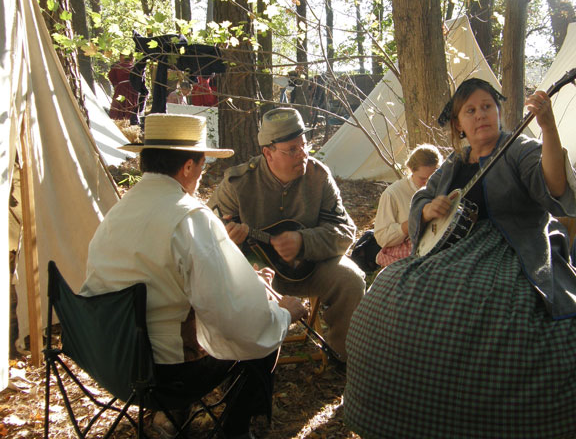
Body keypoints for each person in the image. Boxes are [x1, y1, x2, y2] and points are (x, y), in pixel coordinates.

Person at [344, 78, 576, 438]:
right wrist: (426, 210)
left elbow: (556, 186)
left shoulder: (520, 150)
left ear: (499, 112)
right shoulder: (453, 165)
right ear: (459, 124)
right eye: (470, 110)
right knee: (390, 290)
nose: (480, 114)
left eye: (487, 106)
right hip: (453, 261)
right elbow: (421, 201)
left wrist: (548, 127)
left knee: (508, 318)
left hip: (518, 256)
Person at [80, 113, 307, 439]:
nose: (203, 174)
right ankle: (235, 430)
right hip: (162, 376)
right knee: (263, 334)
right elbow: (238, 319)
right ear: (188, 167)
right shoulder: (189, 216)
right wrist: (282, 313)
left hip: (106, 360)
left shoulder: (120, 209)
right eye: (202, 165)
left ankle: (168, 420)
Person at [208, 107, 366, 361]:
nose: (302, 154)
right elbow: (207, 235)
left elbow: (346, 231)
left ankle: (343, 358)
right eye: (291, 149)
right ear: (268, 153)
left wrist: (305, 241)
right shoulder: (237, 183)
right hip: (256, 276)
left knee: (350, 279)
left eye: (304, 145)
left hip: (311, 268)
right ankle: (247, 361)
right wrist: (228, 241)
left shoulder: (319, 177)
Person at [373, 144, 442, 267]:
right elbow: (382, 237)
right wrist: (412, 223)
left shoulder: (442, 187)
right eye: (422, 179)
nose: (427, 184)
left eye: (432, 179)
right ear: (411, 170)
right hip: (409, 254)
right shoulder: (393, 194)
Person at [108, 53, 140, 124]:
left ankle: (118, 119)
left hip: (121, 88)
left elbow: (111, 76)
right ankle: (132, 121)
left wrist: (116, 84)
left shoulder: (117, 67)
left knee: (119, 104)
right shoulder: (134, 68)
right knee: (132, 104)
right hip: (132, 89)